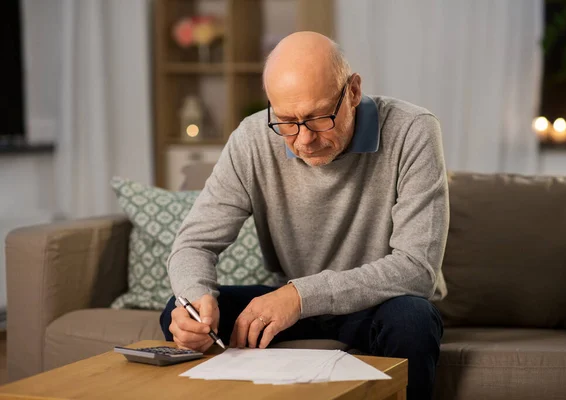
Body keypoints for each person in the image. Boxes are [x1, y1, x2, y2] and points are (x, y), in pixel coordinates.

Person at [160, 31, 449, 400]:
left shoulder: (413, 130)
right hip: (289, 305)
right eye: (286, 121)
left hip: (379, 305)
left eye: (318, 118)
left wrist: (299, 296)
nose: (303, 140)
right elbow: (194, 243)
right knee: (179, 314)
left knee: (413, 320)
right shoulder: (252, 139)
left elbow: (417, 269)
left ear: (354, 92)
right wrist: (194, 300)